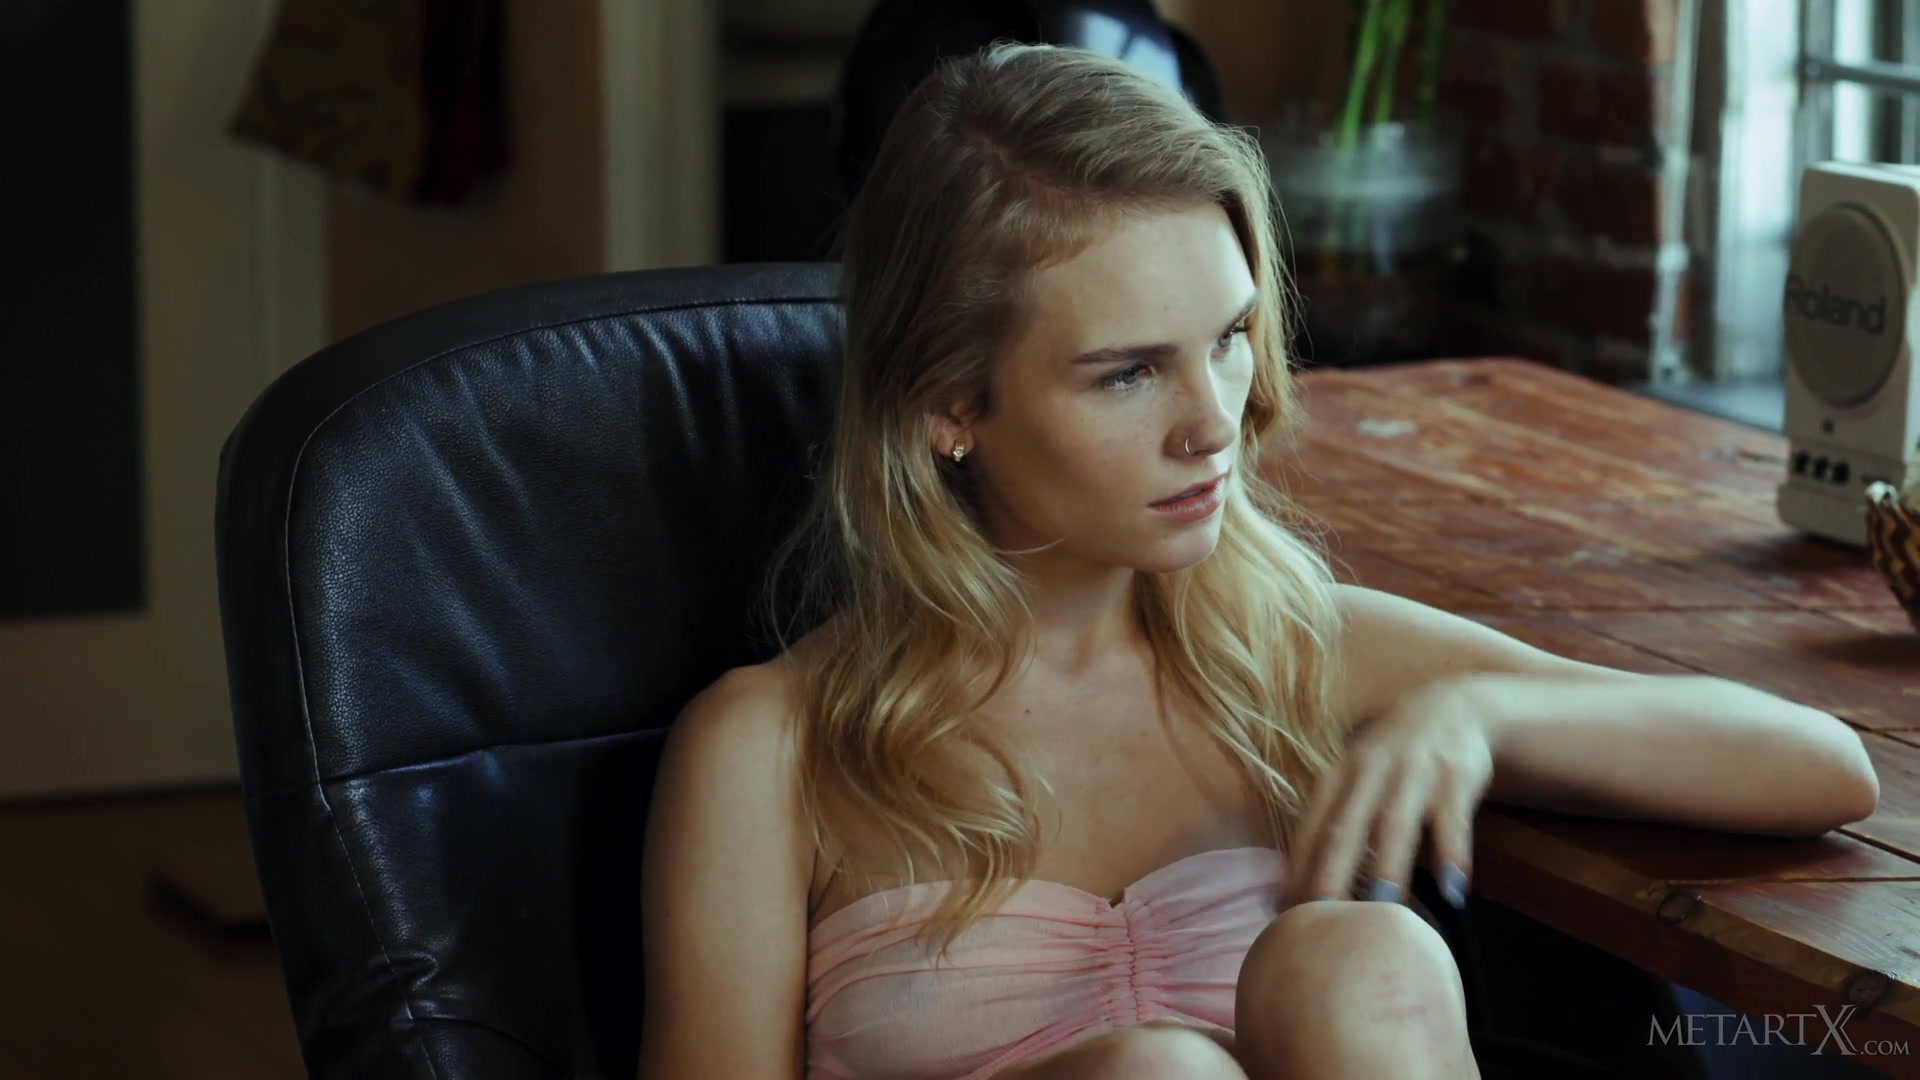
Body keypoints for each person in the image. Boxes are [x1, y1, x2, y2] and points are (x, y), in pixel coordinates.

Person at [636, 43, 1880, 1080]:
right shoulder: (770, 750)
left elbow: (1822, 769)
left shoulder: (1289, 651)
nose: (1212, 422)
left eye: (1229, 336)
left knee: (1360, 961)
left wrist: (1479, 713)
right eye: (1129, 372)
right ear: (948, 403)